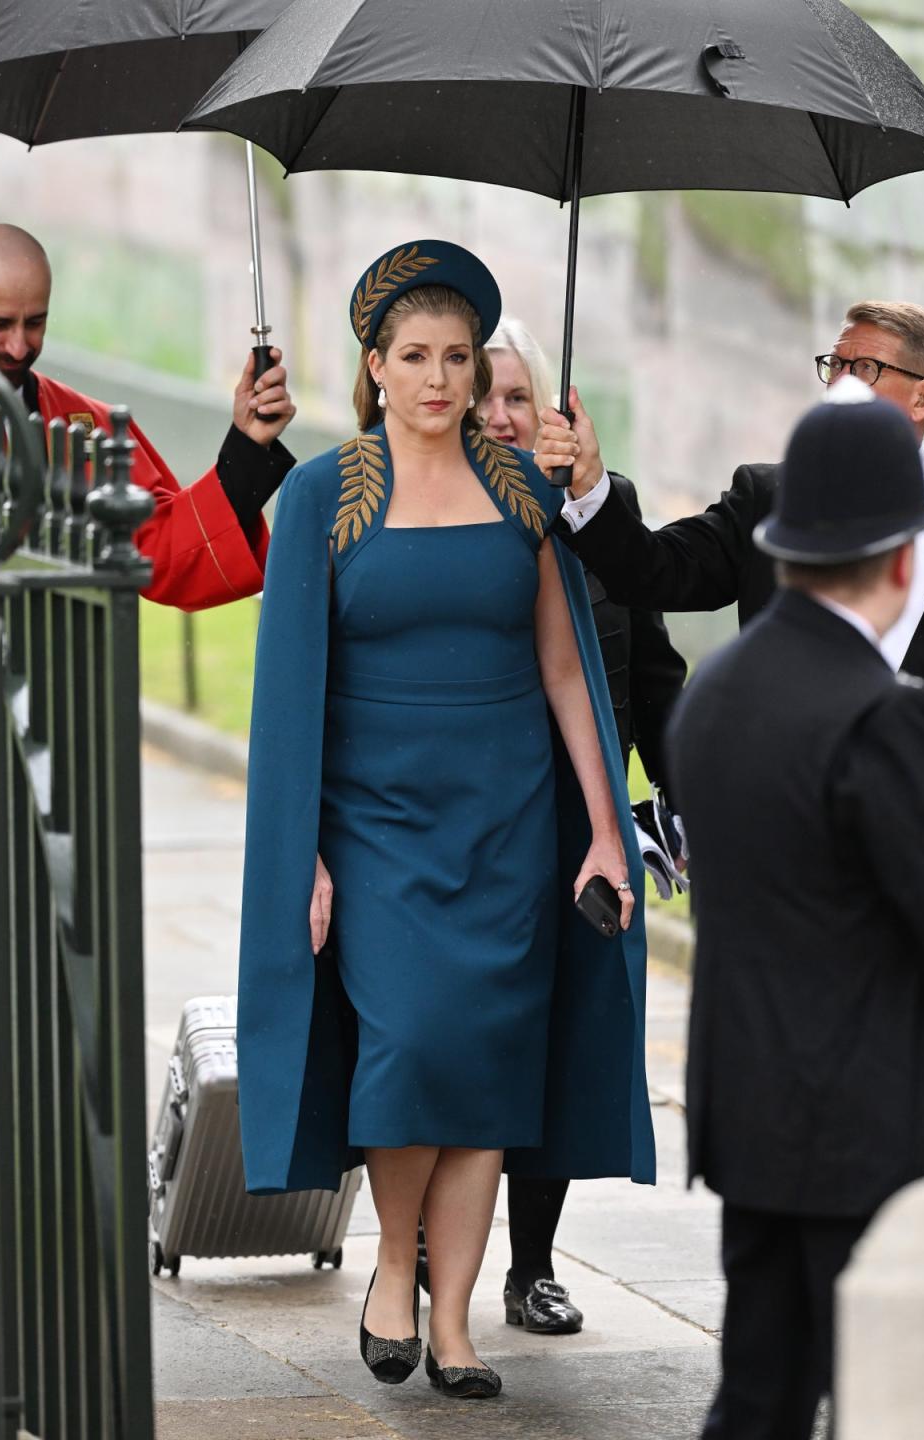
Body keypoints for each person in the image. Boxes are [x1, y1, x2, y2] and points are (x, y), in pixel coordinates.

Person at [237, 241, 655, 1401]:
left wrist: (605, 830)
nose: (437, 378)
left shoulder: (522, 493)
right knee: (411, 1044)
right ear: (373, 368)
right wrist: (303, 851)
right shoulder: (323, 494)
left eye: (458, 358)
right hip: (375, 821)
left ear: (480, 372)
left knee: (487, 1069)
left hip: (509, 816)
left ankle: (458, 1324)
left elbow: (569, 674)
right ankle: (391, 1268)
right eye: (413, 357)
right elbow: (286, 700)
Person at [666, 381, 924, 1440]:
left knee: (760, 1398)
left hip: (750, 1113)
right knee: (886, 1401)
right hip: (863, 1128)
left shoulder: (715, 692)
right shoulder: (876, 715)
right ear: (904, 556)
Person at [449, 315, 685, 1336]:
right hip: (472, 825)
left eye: (519, 398)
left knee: (561, 1039)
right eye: (485, 397)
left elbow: (656, 674)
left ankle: (532, 1266)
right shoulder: (436, 513)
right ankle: (425, 1246)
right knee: (460, 1040)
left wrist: (683, 808)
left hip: (580, 832)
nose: (502, 417)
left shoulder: (603, 510)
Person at [535, 301, 924, 680]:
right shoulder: (768, 496)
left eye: (866, 368)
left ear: (922, 398)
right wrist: (588, 482)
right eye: (835, 365)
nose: (841, 383)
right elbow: (656, 570)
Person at [0, 222, 296, 608]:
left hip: (67, 662)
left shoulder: (87, 426)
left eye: (35, 323)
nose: (19, 347)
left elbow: (165, 551)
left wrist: (247, 445)